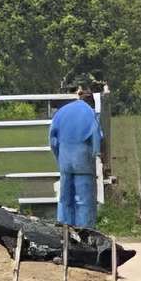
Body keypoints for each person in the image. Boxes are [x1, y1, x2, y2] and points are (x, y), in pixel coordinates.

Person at [48, 83, 103, 232]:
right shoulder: (89, 112)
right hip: (83, 160)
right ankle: (85, 232)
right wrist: (96, 154)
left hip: (65, 160)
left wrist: (59, 156)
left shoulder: (61, 112)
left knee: (65, 197)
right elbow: (97, 137)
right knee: (84, 200)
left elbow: (52, 139)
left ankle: (64, 231)